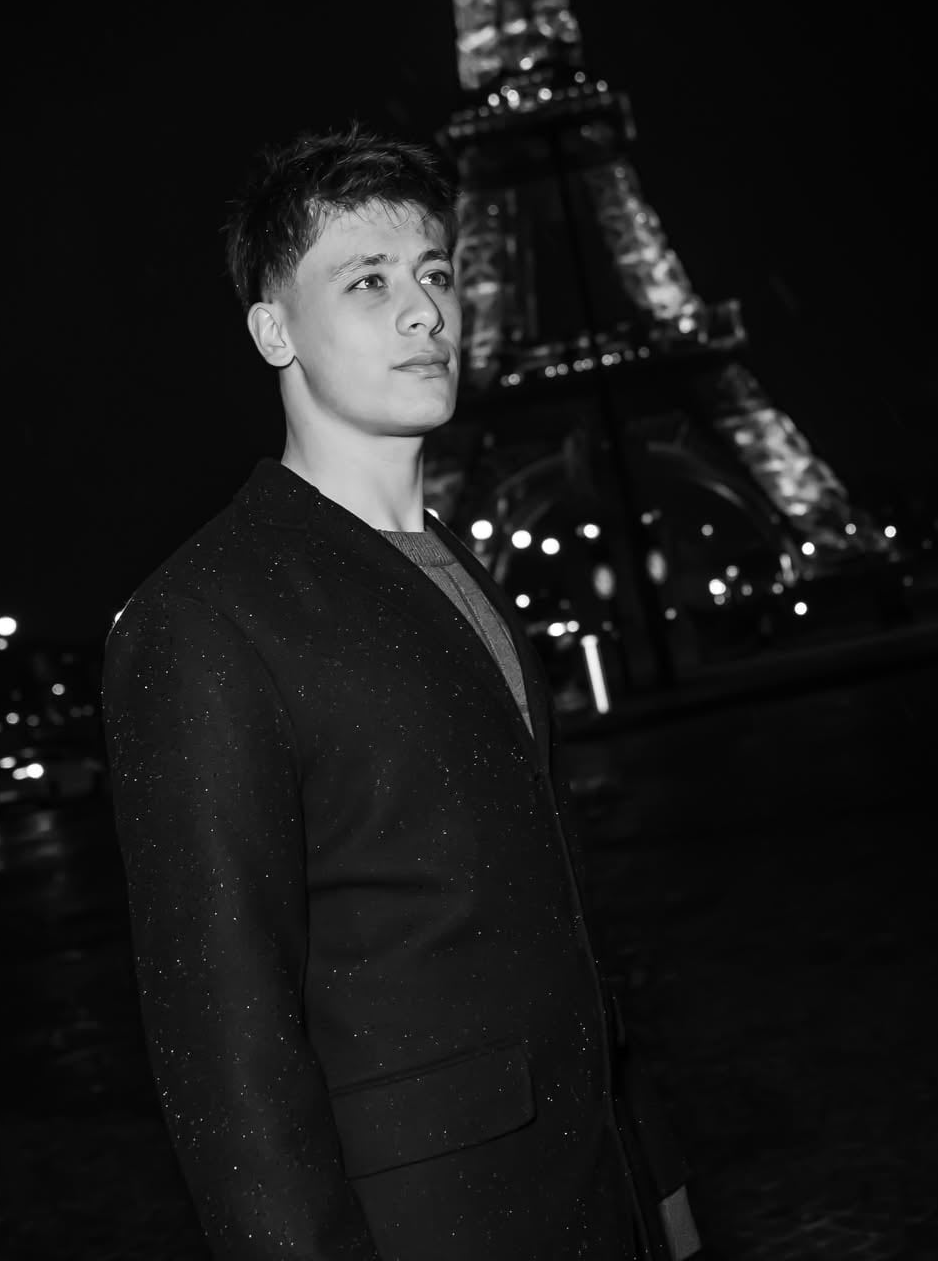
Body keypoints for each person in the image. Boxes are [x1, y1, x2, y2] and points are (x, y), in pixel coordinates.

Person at [102, 125, 703, 1260]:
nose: (426, 310)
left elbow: (558, 926)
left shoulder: (461, 575)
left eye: (435, 272)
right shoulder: (202, 622)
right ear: (274, 330)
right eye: (368, 281)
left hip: (592, 1196)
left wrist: (654, 1178)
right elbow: (226, 1044)